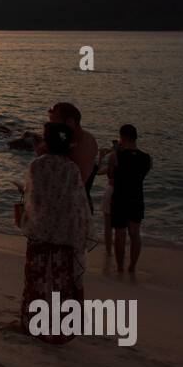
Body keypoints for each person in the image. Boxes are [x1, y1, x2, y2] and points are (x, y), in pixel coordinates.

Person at [18, 122, 90, 343]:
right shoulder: (71, 169)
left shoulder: (36, 166)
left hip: (40, 231)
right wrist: (79, 233)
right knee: (61, 282)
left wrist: (29, 220)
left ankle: (32, 322)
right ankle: (61, 327)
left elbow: (32, 199)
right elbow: (78, 204)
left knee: (36, 278)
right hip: (65, 234)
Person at [35, 102, 99, 207]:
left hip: (73, 208)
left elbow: (73, 186)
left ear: (70, 122)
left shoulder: (83, 146)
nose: (51, 128)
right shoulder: (74, 141)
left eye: (53, 123)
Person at [109, 124, 152, 273]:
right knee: (135, 233)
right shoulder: (146, 158)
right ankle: (132, 267)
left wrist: (114, 154)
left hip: (120, 198)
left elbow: (110, 175)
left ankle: (120, 267)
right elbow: (141, 176)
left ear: (122, 137)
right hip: (136, 198)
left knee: (119, 234)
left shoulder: (116, 156)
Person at [97, 139, 117, 254]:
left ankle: (109, 252)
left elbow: (98, 171)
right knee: (122, 226)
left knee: (108, 225)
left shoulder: (112, 161)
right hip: (126, 193)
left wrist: (101, 156)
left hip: (111, 191)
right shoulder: (127, 160)